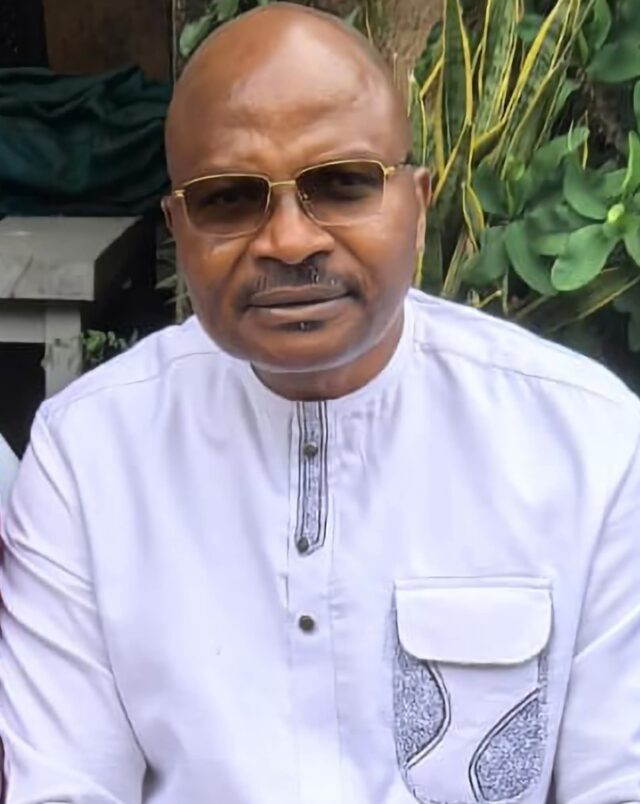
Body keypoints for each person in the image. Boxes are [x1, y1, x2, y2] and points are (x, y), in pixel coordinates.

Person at [1, 4, 639, 803]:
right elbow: (64, 786)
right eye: (228, 199)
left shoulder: (587, 446)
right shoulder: (90, 459)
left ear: (417, 205)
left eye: (341, 185)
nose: (290, 240)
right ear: (177, 227)